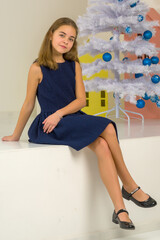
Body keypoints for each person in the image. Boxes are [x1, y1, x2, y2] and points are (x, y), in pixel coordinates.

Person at [2, 17, 157, 230]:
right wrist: (15, 135)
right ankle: (129, 185)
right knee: (109, 126)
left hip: (71, 118)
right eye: (62, 35)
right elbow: (28, 104)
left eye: (71, 39)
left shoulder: (74, 65)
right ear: (51, 35)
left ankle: (120, 209)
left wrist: (61, 113)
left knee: (102, 145)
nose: (66, 41)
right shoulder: (37, 67)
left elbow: (81, 101)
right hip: (49, 125)